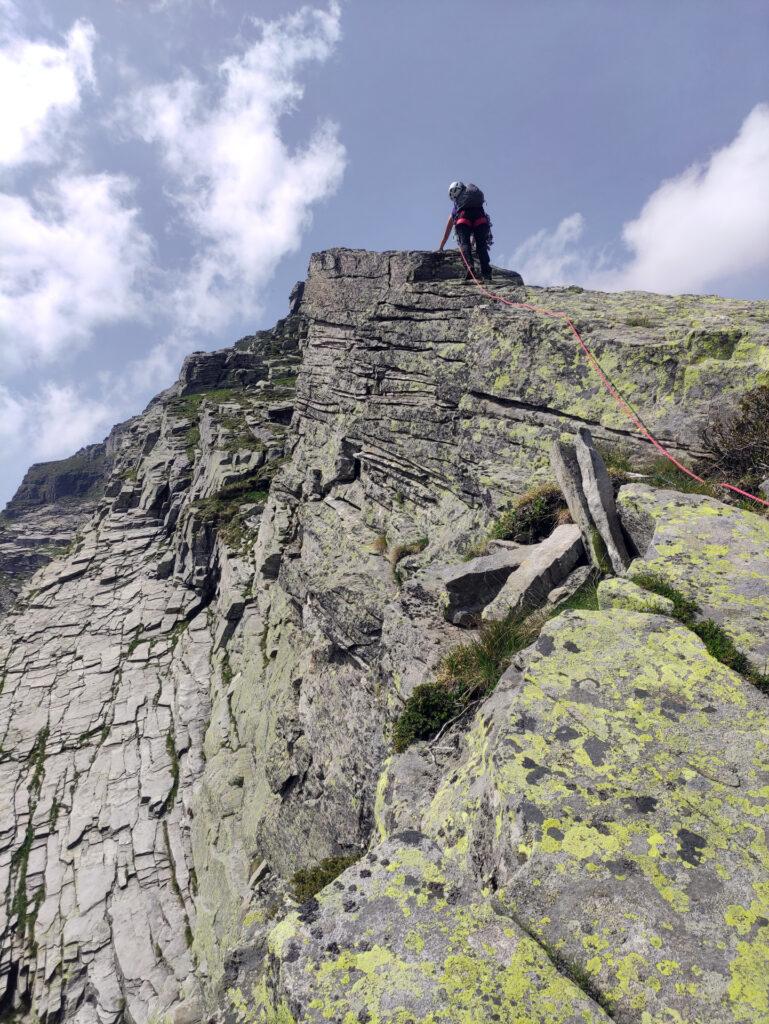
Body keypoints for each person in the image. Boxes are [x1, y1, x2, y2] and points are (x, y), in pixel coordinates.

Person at [438, 181, 493, 281]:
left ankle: (470, 269)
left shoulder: (457, 206)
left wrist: (441, 246)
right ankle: (486, 273)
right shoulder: (474, 198)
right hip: (480, 217)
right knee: (481, 245)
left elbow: (448, 229)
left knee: (464, 243)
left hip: (463, 219)